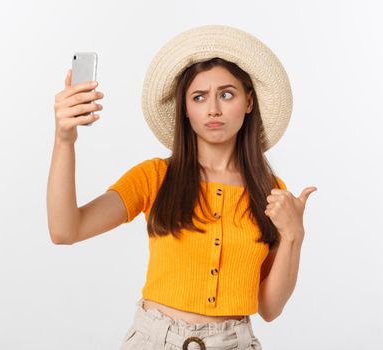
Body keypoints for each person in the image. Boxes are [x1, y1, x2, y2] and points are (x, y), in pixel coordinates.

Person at [47, 24, 317, 350]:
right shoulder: (155, 177)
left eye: (226, 94)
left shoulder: (270, 189)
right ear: (186, 109)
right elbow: (66, 230)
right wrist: (65, 139)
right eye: (199, 97)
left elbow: (270, 308)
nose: (213, 108)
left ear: (249, 102)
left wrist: (293, 236)